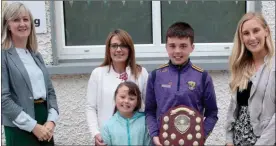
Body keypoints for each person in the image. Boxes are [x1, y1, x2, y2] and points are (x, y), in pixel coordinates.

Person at [145, 22, 218, 145]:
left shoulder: (203, 77)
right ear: (166, 47)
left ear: (192, 47)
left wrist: (201, 136)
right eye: (172, 46)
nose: (177, 51)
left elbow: (212, 113)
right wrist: (154, 135)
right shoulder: (155, 76)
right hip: (163, 142)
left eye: (183, 46)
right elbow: (149, 111)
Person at [1, 2, 59, 146]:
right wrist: (33, 126)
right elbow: (4, 99)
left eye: (25, 19)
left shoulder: (36, 56)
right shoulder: (3, 56)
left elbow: (50, 92)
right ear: (8, 25)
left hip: (44, 124)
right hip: (19, 127)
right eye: (16, 20)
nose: (22, 24)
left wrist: (51, 122)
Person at [86, 29, 148, 145]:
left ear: (130, 49)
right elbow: (90, 107)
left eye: (123, 45)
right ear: (108, 49)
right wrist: (95, 133)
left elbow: (149, 105)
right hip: (106, 139)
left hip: (135, 139)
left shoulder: (141, 73)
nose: (118, 50)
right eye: (114, 46)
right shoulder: (98, 74)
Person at [225, 12, 275, 146]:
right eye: (246, 33)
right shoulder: (241, 66)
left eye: (256, 30)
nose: (251, 37)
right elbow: (234, 108)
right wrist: (229, 139)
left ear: (266, 31)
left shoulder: (273, 66)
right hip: (238, 141)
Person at [100, 81, 151, 145]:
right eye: (122, 97)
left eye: (131, 99)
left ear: (137, 102)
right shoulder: (107, 126)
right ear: (115, 97)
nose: (126, 101)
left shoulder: (145, 122)